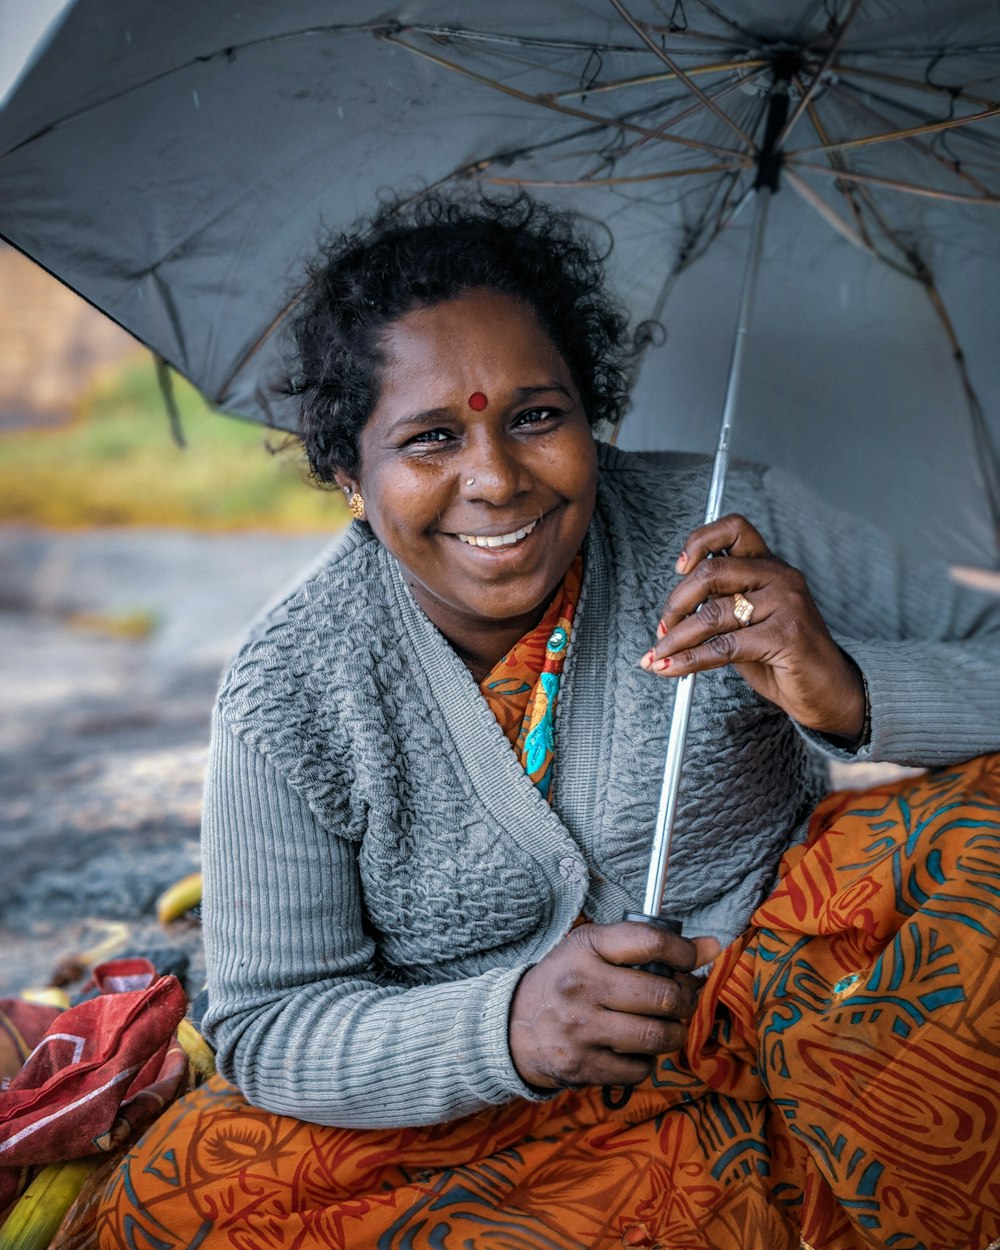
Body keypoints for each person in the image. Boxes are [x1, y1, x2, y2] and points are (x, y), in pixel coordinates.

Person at [96, 195, 1000, 1249]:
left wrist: (843, 687)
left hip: (813, 1013)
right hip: (499, 1112)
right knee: (182, 1201)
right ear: (349, 479)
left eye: (536, 415)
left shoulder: (720, 531)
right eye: (432, 437)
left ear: (590, 412)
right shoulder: (289, 689)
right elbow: (268, 1023)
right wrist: (512, 1024)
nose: (496, 478)